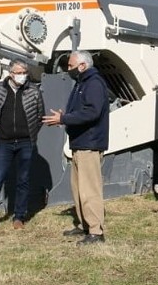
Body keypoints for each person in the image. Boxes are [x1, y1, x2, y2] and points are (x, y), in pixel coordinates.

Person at [42, 50, 109, 245]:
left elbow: (92, 113)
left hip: (90, 143)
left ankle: (96, 232)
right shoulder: (82, 83)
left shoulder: (94, 83)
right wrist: (67, 115)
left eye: (70, 66)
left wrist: (64, 118)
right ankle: (84, 225)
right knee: (78, 188)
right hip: (80, 143)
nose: (67, 69)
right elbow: (82, 111)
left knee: (90, 189)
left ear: (83, 65)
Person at [0, 58, 45, 233]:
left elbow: (39, 115)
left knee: (23, 180)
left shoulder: (33, 91)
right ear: (11, 73)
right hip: (4, 143)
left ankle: (19, 217)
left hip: (25, 142)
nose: (22, 76)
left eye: (24, 73)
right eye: (19, 72)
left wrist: (31, 133)